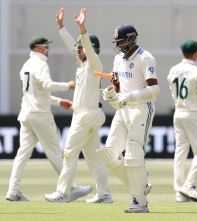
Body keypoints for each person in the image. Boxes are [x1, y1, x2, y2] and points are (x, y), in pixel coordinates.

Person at [6, 36, 92, 201]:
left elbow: (37, 93)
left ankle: (13, 191)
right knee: (56, 153)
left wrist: (59, 102)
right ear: (37, 48)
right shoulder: (41, 64)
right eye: (45, 47)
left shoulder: (26, 65)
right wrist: (68, 85)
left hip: (27, 114)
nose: (47, 49)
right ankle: (70, 187)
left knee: (22, 155)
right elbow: (46, 86)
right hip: (40, 115)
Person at [45, 8, 111, 203]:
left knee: (69, 152)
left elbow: (87, 49)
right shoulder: (82, 65)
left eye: (81, 47)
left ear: (91, 48)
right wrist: (61, 27)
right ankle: (104, 194)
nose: (78, 49)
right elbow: (70, 45)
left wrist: (82, 29)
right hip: (86, 115)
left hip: (87, 115)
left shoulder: (94, 64)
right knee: (92, 158)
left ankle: (63, 193)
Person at [98, 24, 160, 213]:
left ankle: (139, 203)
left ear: (132, 38)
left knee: (133, 157)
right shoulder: (118, 58)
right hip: (123, 110)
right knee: (107, 154)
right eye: (117, 41)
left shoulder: (145, 57)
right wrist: (110, 93)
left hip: (141, 109)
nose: (119, 45)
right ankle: (141, 187)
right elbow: (116, 85)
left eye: (122, 41)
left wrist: (129, 96)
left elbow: (155, 90)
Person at [167, 39, 197, 203]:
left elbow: (172, 90)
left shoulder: (173, 69)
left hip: (178, 112)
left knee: (180, 151)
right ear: (195, 53)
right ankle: (189, 185)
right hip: (193, 114)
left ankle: (179, 191)